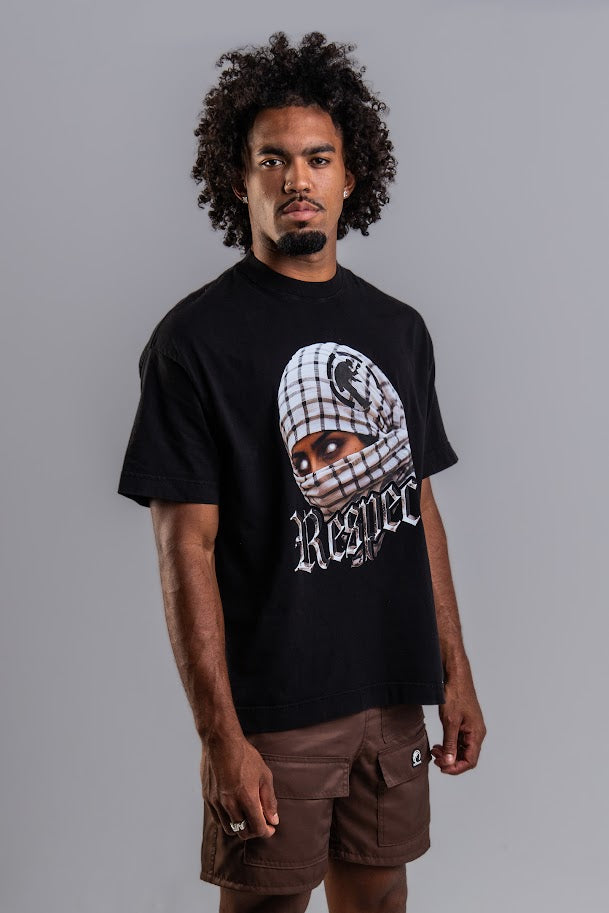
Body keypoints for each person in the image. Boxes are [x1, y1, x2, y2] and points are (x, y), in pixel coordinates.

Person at [117, 30, 486, 913]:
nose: (297, 179)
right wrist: (220, 735)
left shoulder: (398, 330)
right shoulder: (193, 343)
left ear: (350, 175)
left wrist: (454, 668)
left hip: (391, 695)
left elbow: (418, 506)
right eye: (271, 159)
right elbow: (184, 549)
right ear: (237, 179)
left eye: (318, 158)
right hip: (275, 707)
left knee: (380, 899)